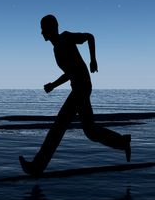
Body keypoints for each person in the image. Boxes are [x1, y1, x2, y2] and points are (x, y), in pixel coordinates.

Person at [19, 14, 131, 176]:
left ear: (52, 28)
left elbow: (89, 37)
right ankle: (123, 142)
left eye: (43, 29)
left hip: (82, 88)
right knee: (90, 132)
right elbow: (70, 72)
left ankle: (36, 167)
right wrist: (53, 85)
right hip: (78, 88)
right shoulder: (56, 49)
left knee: (59, 126)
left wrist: (93, 59)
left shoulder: (66, 38)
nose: (41, 32)